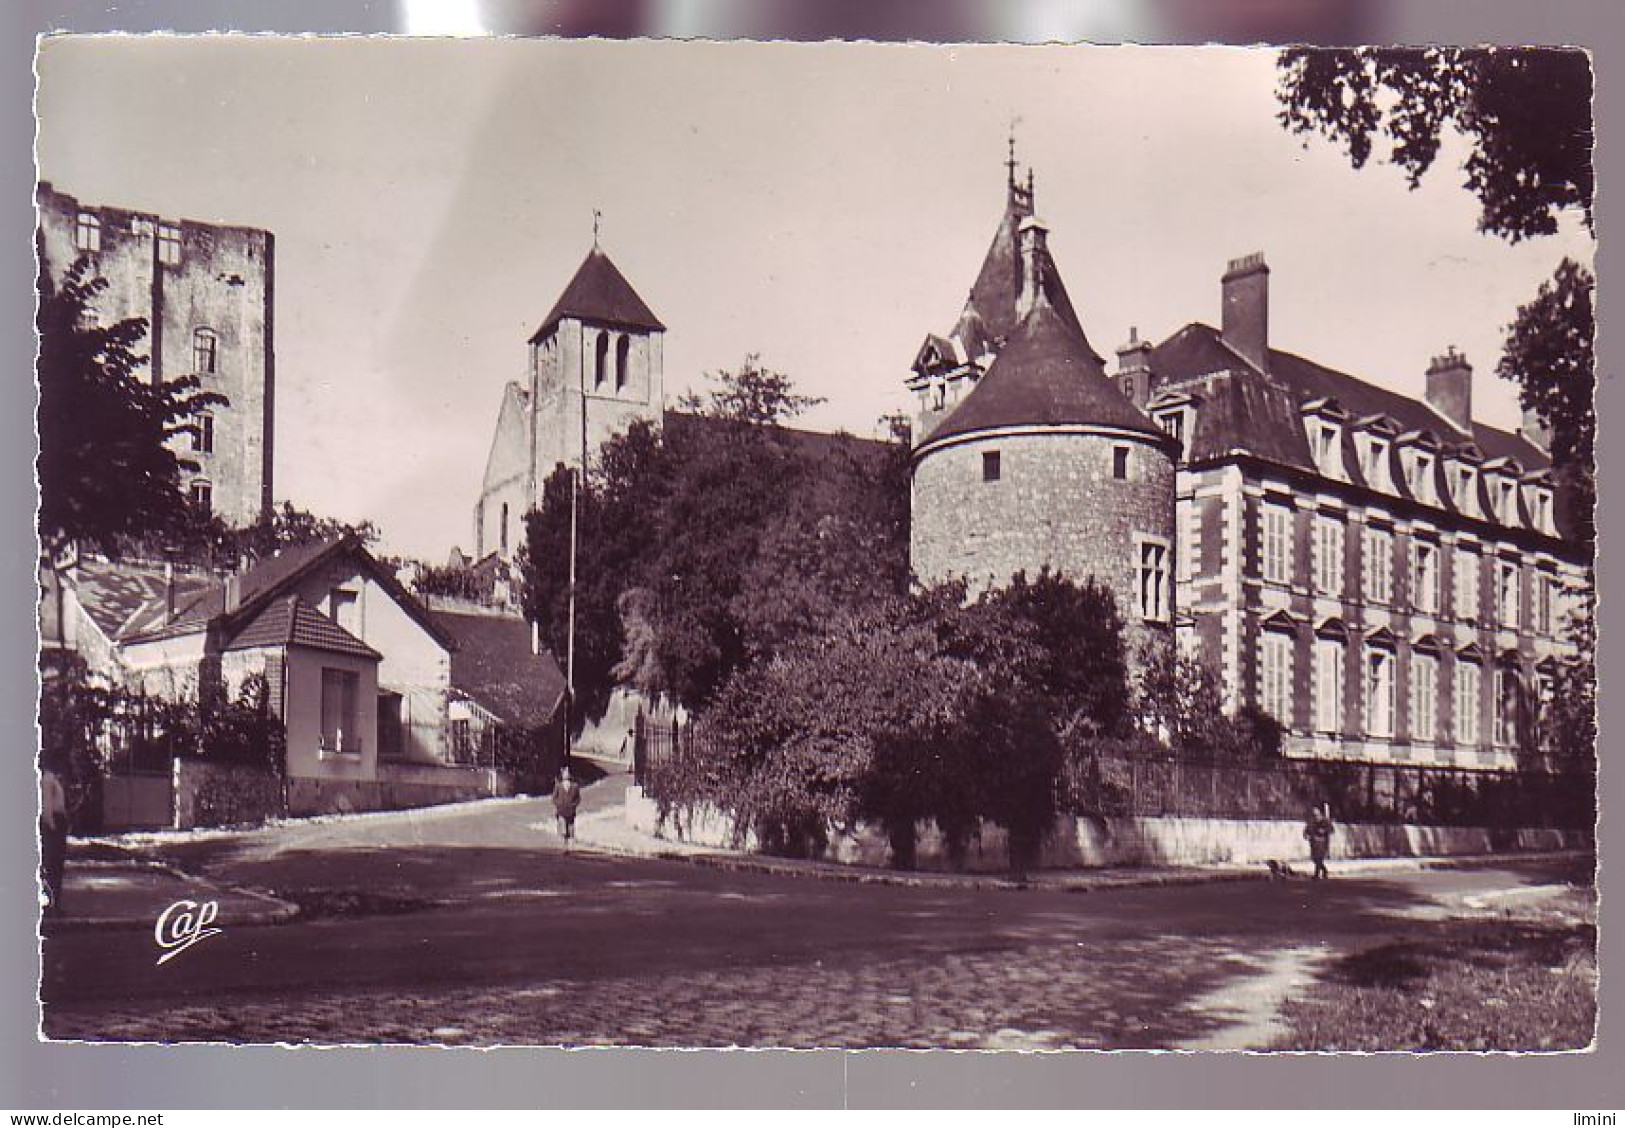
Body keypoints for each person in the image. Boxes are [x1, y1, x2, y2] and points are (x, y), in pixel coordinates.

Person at [39, 763, 69, 916]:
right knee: (52, 865)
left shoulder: (53, 778)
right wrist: (51, 825)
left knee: (56, 865)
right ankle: (50, 905)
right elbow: (47, 805)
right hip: (54, 823)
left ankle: (54, 903)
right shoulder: (48, 779)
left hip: (58, 821)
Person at [1303, 802, 1335, 880]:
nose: (1315, 816)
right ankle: (1324, 871)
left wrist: (1323, 831)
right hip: (1313, 842)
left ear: (1320, 813)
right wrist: (1306, 835)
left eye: (1316, 814)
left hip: (1322, 842)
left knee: (1319, 858)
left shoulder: (1325, 821)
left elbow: (1331, 830)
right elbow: (1306, 831)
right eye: (1313, 814)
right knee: (1314, 859)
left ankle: (1317, 874)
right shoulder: (1311, 822)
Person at [552, 765, 581, 844]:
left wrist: (573, 805)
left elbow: (578, 798)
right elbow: (554, 798)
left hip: (571, 811)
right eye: (564, 774)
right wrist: (559, 804)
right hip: (561, 810)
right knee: (562, 829)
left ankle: (570, 844)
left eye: (567, 774)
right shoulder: (558, 786)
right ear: (562, 775)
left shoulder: (575, 786)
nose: (566, 775)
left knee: (570, 828)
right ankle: (563, 844)